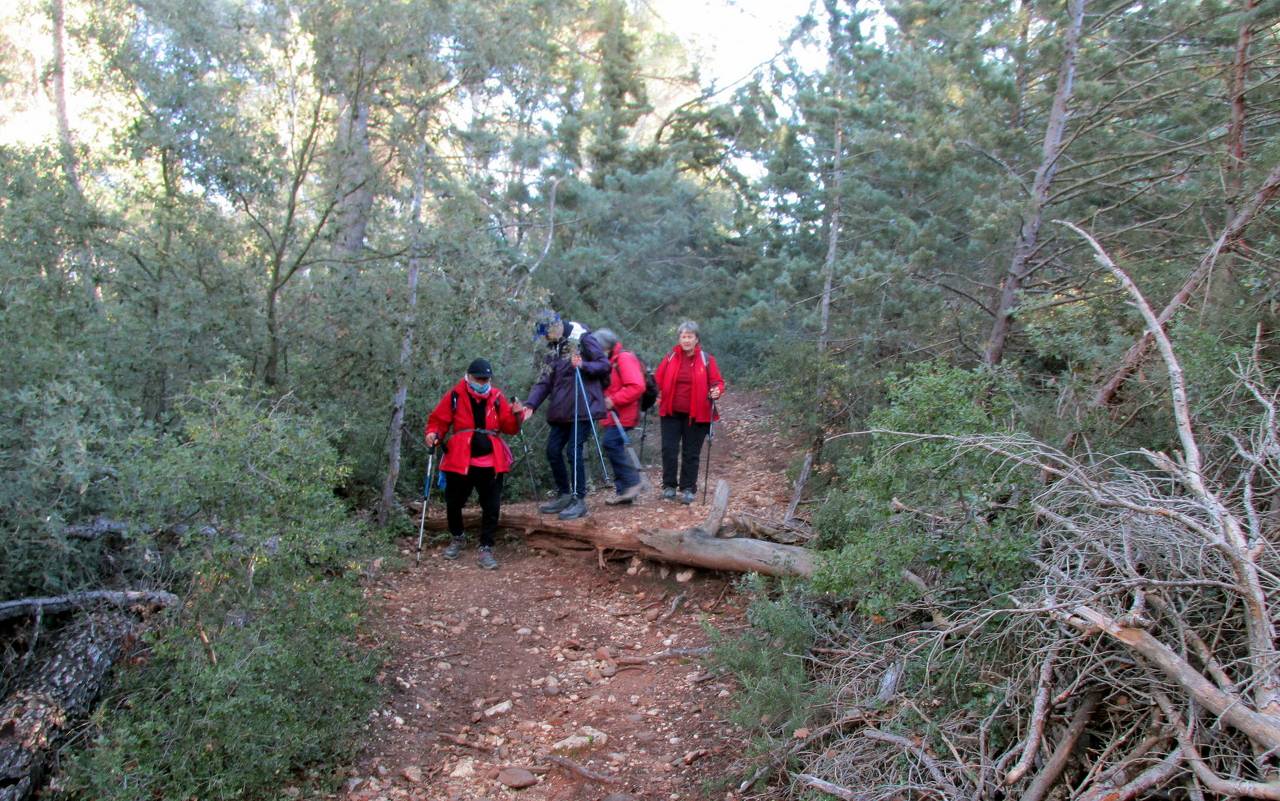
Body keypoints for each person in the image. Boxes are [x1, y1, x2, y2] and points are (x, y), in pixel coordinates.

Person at [424, 358, 523, 570]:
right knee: (453, 502)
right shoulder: (455, 395)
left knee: (492, 505)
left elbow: (510, 428)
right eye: (478, 378)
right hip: (460, 459)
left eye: (485, 378)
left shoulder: (496, 396)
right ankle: (458, 537)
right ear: (468, 376)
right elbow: (438, 421)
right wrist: (433, 434)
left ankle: (486, 547)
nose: (482, 382)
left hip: (490, 461)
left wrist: (517, 414)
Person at [518, 311, 610, 520]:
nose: (544, 338)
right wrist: (531, 404)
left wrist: (584, 365)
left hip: (583, 407)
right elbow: (545, 380)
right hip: (561, 410)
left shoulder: (583, 338)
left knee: (573, 452)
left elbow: (604, 365)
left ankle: (579, 500)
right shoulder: (553, 348)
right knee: (552, 450)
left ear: (555, 327)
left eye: (545, 334)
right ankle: (564, 494)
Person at [654, 321, 725, 504]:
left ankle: (688, 488)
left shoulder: (706, 359)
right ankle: (669, 486)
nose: (686, 340)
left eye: (690, 336)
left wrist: (717, 390)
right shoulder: (670, 357)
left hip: (698, 414)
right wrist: (653, 393)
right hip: (671, 412)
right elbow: (657, 380)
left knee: (691, 452)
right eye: (683, 336)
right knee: (668, 450)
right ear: (679, 339)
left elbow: (717, 382)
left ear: (696, 339)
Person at [592, 328, 646, 505]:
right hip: (613, 414)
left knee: (610, 443)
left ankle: (633, 483)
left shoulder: (624, 358)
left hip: (624, 413)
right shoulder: (609, 361)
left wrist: (613, 401)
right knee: (613, 446)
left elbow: (637, 387)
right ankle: (624, 493)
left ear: (605, 347)